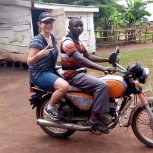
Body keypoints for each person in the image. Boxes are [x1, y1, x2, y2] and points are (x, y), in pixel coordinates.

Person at [60, 17, 115, 134]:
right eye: (76, 25)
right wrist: (103, 68)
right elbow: (81, 59)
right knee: (102, 86)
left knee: (107, 84)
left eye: (81, 25)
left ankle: (95, 112)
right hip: (72, 75)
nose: (79, 28)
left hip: (79, 74)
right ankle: (94, 119)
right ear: (69, 27)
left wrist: (107, 59)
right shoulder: (67, 42)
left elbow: (88, 57)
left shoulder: (78, 42)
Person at [27, 12, 69, 120]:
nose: (48, 24)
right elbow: (29, 62)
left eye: (50, 22)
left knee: (73, 78)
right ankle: (50, 107)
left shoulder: (52, 37)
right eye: (45, 22)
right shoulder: (37, 40)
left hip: (50, 70)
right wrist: (39, 55)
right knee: (64, 86)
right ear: (39, 24)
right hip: (40, 74)